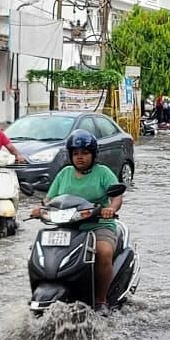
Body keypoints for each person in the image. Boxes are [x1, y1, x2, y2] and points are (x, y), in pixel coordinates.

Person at [30, 129, 124, 314]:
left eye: (85, 153)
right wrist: (40, 209)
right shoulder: (64, 173)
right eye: (76, 153)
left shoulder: (103, 173)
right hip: (67, 225)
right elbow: (49, 199)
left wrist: (111, 209)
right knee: (40, 251)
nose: (80, 157)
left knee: (104, 252)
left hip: (98, 225)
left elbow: (117, 197)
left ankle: (101, 300)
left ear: (93, 154)